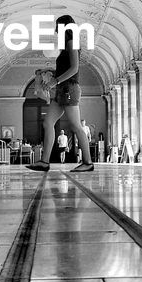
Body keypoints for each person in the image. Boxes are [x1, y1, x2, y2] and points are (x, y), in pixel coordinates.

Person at [27, 14, 94, 172]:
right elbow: (65, 68)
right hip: (62, 89)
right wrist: (48, 70)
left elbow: (74, 68)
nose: (56, 30)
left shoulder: (72, 42)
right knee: (48, 123)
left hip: (69, 88)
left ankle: (88, 162)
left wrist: (54, 81)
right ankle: (44, 162)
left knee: (76, 126)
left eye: (58, 26)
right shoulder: (66, 45)